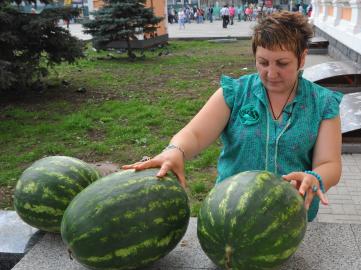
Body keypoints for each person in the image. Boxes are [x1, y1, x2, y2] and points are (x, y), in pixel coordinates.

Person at [123, 12, 343, 222]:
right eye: (263, 62)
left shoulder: (322, 103)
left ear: (302, 58)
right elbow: (195, 134)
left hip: (290, 217)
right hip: (230, 212)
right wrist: (175, 151)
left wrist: (315, 178)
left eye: (282, 64)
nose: (271, 73)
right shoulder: (236, 93)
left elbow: (329, 163)